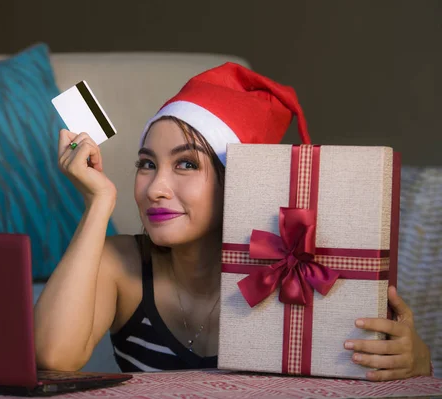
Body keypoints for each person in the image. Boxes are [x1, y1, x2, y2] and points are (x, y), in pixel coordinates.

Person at [33, 63, 432, 381]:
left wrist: (415, 360)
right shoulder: (120, 264)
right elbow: (51, 357)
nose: (155, 187)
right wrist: (98, 201)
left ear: (236, 181)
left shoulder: (292, 271)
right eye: (146, 164)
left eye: (186, 164)